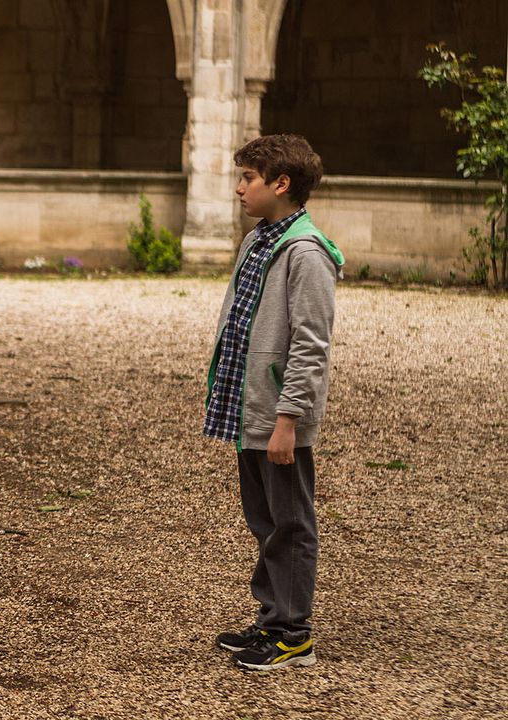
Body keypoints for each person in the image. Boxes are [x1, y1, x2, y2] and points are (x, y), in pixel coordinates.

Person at [204, 134, 344, 671]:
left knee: (289, 522)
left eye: (248, 179)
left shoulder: (306, 254)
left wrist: (289, 420)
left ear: (281, 184)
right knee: (264, 519)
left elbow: (311, 345)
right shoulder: (257, 241)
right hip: (249, 408)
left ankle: (293, 633)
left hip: (278, 416)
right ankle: (272, 616)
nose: (239, 189)